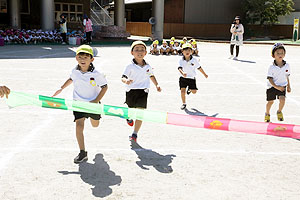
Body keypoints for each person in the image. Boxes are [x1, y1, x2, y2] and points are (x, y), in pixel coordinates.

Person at [52, 45, 108, 163]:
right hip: (78, 103)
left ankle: (95, 118)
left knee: (95, 125)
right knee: (79, 126)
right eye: (80, 56)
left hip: (93, 104)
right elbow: (71, 79)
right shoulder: (75, 71)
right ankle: (82, 152)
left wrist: (96, 100)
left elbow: (104, 87)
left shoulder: (97, 74)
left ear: (91, 59)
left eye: (86, 57)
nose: (83, 59)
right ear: (76, 58)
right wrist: (61, 88)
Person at [121, 41, 161, 142]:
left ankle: (135, 134)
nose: (140, 52)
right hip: (131, 91)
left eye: (142, 50)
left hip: (143, 91)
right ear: (132, 53)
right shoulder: (129, 66)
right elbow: (123, 77)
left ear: (146, 53)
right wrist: (126, 81)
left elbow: (151, 75)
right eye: (137, 50)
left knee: (140, 113)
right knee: (131, 109)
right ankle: (128, 117)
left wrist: (157, 85)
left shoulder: (147, 66)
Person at [264, 43, 291, 122]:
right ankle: (267, 113)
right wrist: (276, 86)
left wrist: (289, 86)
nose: (280, 55)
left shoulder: (287, 65)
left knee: (282, 100)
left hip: (282, 86)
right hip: (272, 87)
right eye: (278, 53)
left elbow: (287, 76)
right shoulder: (271, 67)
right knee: (270, 102)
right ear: (273, 55)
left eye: (282, 53)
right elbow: (270, 79)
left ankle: (279, 111)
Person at [178, 43, 208, 110]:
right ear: (182, 52)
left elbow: (199, 67)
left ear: (191, 51)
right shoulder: (181, 60)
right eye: (185, 50)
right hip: (183, 78)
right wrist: (182, 73)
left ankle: (190, 89)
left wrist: (204, 74)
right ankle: (184, 104)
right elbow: (179, 68)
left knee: (194, 92)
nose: (187, 52)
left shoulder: (194, 60)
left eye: (189, 50)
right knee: (182, 91)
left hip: (191, 78)